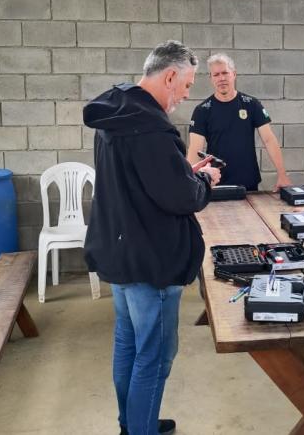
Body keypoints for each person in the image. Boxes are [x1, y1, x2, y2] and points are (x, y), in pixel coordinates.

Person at [83, 40, 222, 435]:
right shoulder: (151, 128)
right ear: (171, 75)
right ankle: (139, 427)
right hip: (152, 259)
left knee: (129, 344)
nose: (186, 94)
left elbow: (143, 182)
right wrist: (204, 180)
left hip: (121, 249)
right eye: (188, 84)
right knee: (155, 355)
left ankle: (134, 423)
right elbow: (180, 197)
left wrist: (184, 171)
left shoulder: (117, 113)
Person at [187, 53, 292, 191]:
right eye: (216, 75)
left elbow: (269, 139)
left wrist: (282, 174)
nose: (222, 78)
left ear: (234, 74)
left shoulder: (251, 104)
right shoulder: (202, 110)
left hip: (248, 183)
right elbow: (195, 149)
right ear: (211, 78)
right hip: (215, 182)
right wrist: (187, 182)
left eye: (225, 73)